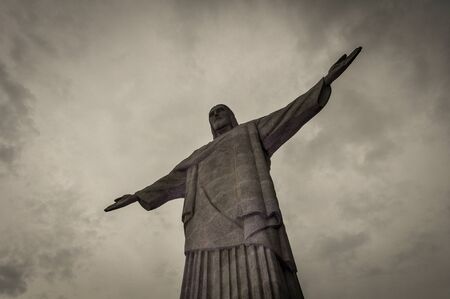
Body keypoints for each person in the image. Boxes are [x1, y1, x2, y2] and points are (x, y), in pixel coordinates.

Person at [105, 47, 362, 299]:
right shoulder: (199, 154)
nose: (216, 114)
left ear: (232, 116)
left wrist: (325, 81)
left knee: (261, 274)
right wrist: (138, 196)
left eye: (221, 110)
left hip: (248, 216)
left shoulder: (250, 131)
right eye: (212, 113)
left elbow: (289, 114)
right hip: (204, 227)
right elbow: (170, 180)